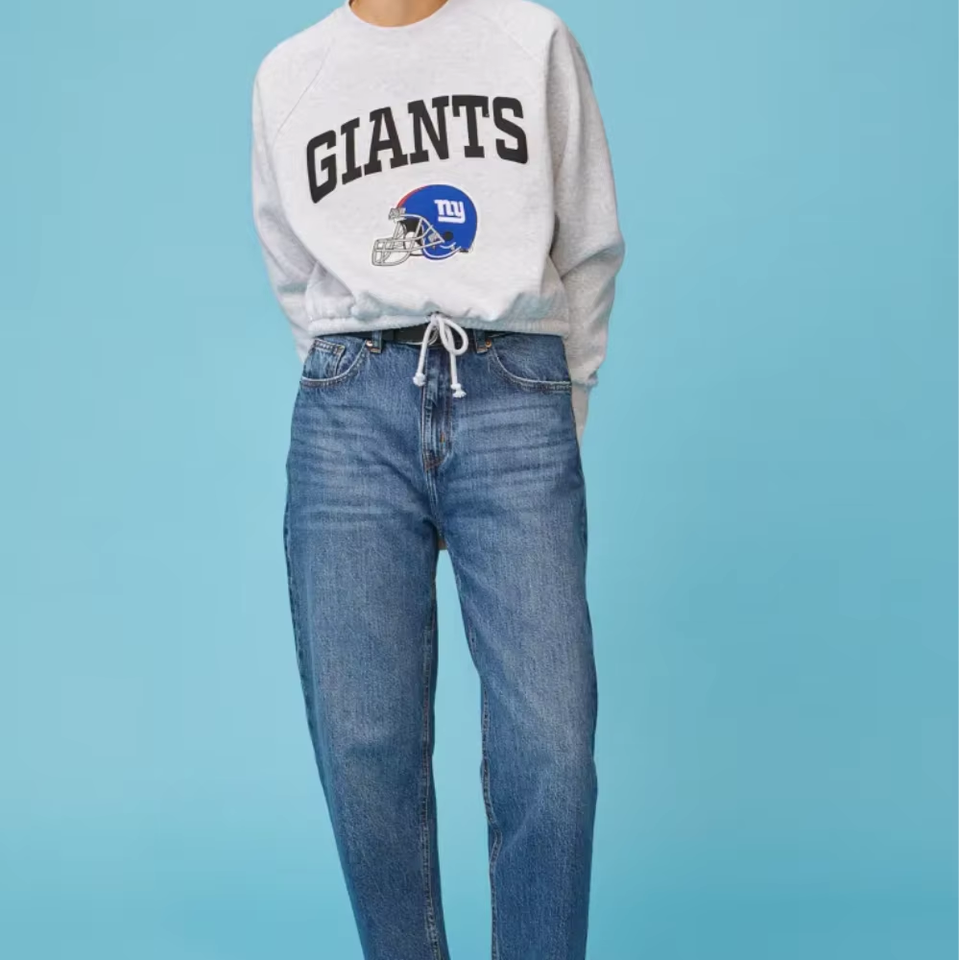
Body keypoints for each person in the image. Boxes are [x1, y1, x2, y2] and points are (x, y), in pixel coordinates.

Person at [250, 0, 624, 957]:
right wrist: (355, 372)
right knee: (362, 744)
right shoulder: (289, 73)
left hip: (513, 385)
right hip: (350, 402)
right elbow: (295, 272)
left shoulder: (529, 39)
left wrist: (559, 395)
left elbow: (587, 242)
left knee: (551, 746)